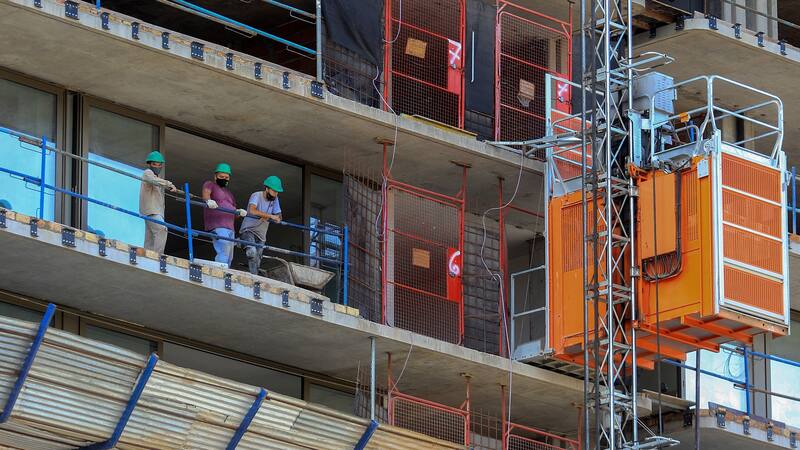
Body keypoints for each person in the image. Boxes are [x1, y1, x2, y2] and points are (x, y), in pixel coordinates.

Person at [202, 163, 247, 267]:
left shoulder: (229, 194)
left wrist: (239, 212)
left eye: (226, 177)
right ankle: (220, 272)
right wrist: (209, 201)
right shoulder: (210, 184)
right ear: (215, 176)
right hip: (217, 225)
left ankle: (226, 272)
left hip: (230, 228)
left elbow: (234, 214)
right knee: (223, 250)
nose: (224, 179)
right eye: (221, 177)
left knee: (229, 256)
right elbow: (206, 194)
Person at [239, 176, 283, 275]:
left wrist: (275, 218)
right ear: (266, 188)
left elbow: (279, 216)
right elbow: (252, 210)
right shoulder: (256, 195)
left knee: (257, 260)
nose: (275, 194)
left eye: (277, 192)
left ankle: (254, 279)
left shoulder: (275, 199)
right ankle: (240, 241)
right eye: (274, 191)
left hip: (261, 235)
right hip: (248, 230)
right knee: (252, 252)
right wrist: (269, 216)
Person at [139, 151, 176, 254]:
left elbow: (156, 181)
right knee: (161, 229)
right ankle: (158, 256)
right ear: (149, 164)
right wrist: (169, 184)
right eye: (155, 164)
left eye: (159, 164)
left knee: (150, 238)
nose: (157, 166)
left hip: (152, 211)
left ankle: (147, 258)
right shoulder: (148, 172)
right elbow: (153, 180)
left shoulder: (157, 179)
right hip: (151, 211)